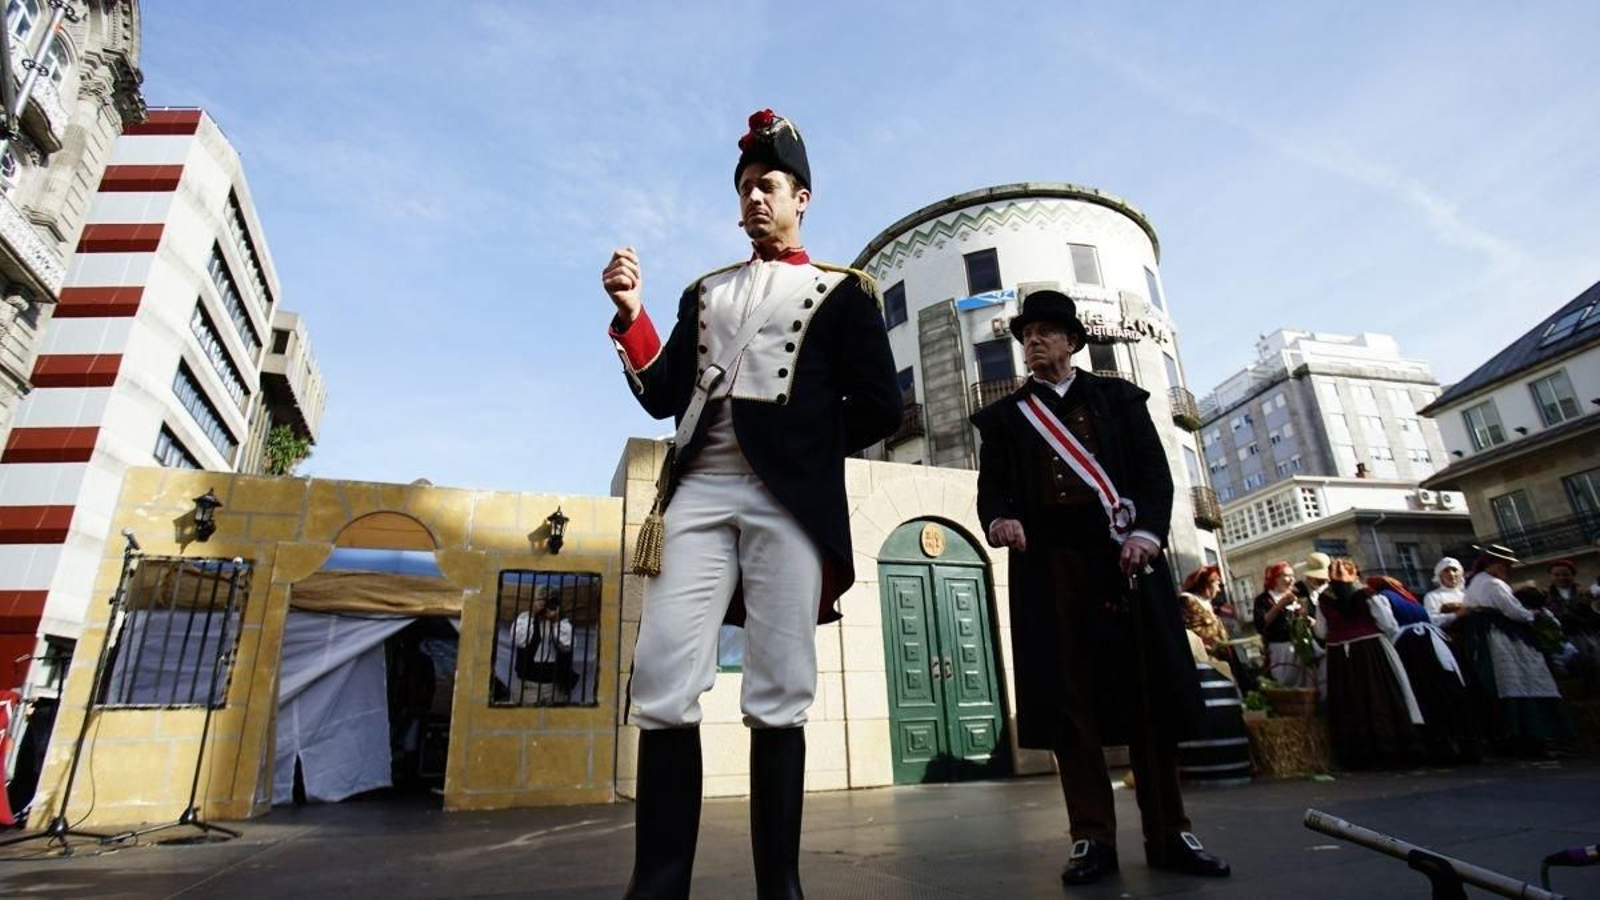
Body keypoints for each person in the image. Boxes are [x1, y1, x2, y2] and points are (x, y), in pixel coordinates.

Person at [603, 108, 901, 899]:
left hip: (789, 501)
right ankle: (660, 881)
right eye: (744, 189)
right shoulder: (706, 290)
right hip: (698, 489)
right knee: (663, 674)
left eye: (767, 185)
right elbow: (663, 392)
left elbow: (879, 405)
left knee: (780, 685)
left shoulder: (846, 293)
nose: (753, 200)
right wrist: (632, 318)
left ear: (802, 197)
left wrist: (802, 430)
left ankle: (782, 886)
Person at [971, 289, 1228, 886]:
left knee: (1149, 700)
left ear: (1072, 341)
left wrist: (1145, 534)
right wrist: (1001, 518)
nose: (1033, 341)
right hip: (1050, 570)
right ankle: (1091, 839)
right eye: (1026, 334)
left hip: (1124, 563)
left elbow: (1152, 475)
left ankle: (1171, 833)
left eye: (1045, 331)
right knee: (1071, 707)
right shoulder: (1009, 418)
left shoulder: (1117, 399)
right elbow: (994, 489)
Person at [1459, 544, 1575, 755]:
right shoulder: (1494, 584)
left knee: (1500, 684)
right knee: (1524, 679)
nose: (1509, 569)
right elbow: (1514, 612)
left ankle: (1512, 736)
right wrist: (1534, 615)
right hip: (1504, 637)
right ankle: (1536, 735)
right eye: (1507, 565)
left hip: (1486, 637)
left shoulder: (1475, 582)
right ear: (1496, 564)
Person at [1315, 560, 1423, 768]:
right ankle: (1389, 748)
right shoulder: (1366, 594)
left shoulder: (1324, 598)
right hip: (1369, 649)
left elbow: (1320, 631)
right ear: (1355, 573)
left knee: (1348, 699)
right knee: (1379, 694)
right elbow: (1388, 624)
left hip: (1339, 654)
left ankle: (1356, 753)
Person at [1367, 575, 1479, 762]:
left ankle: (1440, 745)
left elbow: (1389, 625)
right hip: (1435, 643)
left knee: (1424, 691)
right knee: (1449, 689)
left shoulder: (1381, 598)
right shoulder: (1411, 599)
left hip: (1410, 646)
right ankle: (1467, 742)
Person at [1253, 560, 1313, 687]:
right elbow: (1260, 625)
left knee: (1306, 683)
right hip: (1279, 650)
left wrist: (1309, 620)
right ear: (1275, 578)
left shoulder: (1297, 595)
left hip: (1300, 647)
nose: (1291, 579)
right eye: (1287, 575)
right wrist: (1279, 606)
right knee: (1284, 684)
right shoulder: (1263, 599)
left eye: (1292, 575)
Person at [1423, 557, 1474, 629]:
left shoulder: (1469, 594)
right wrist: (1456, 614)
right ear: (1440, 576)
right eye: (1446, 571)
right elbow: (1432, 620)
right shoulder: (1432, 596)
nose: (1451, 574)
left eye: (1454, 570)